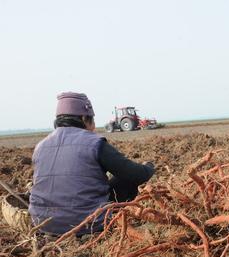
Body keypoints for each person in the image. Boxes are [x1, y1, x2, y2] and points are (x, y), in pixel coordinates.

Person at [29, 92, 155, 236]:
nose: (94, 126)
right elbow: (134, 173)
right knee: (127, 178)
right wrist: (149, 167)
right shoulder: (94, 143)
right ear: (84, 118)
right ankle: (118, 223)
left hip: (42, 224)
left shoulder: (40, 146)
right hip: (87, 224)